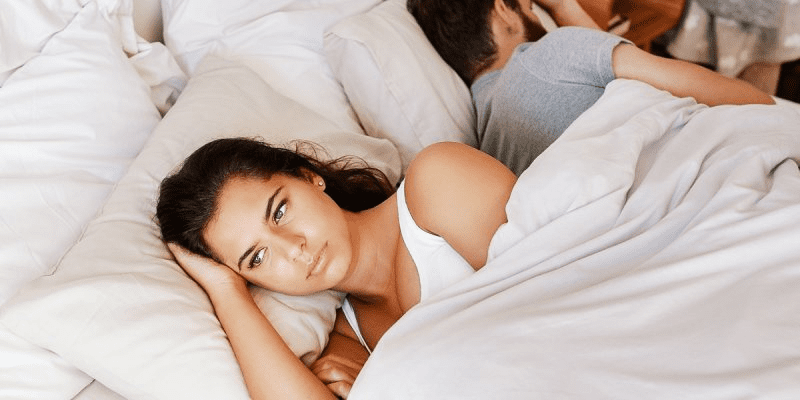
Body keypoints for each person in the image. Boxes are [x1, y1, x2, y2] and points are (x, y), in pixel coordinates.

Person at [156, 137, 516, 399]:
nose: (292, 249)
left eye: (280, 211)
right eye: (257, 258)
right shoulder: (343, 340)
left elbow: (544, 288)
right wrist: (226, 291)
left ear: (309, 177)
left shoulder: (436, 180)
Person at [407, 0, 776, 175]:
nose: (536, 13)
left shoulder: (487, 137)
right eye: (530, 5)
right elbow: (753, 100)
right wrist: (565, 12)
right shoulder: (554, 51)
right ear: (503, 9)